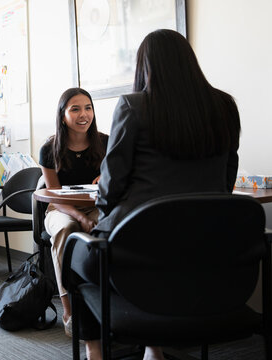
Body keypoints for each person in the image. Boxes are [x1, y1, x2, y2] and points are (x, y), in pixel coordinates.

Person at [77, 29, 240, 360]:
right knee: (164, 267)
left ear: (145, 67)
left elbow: (111, 183)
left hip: (139, 247)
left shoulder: (133, 106)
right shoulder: (225, 106)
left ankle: (99, 351)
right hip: (207, 250)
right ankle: (154, 346)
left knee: (75, 258)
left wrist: (103, 218)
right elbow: (226, 181)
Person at [38, 87, 108, 337]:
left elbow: (120, 180)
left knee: (111, 228)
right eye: (75, 109)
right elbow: (54, 195)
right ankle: (69, 310)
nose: (83, 114)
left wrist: (108, 177)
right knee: (67, 229)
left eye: (88, 108)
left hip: (97, 207)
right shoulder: (50, 149)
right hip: (61, 209)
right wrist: (78, 216)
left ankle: (107, 305)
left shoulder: (106, 142)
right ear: (62, 114)